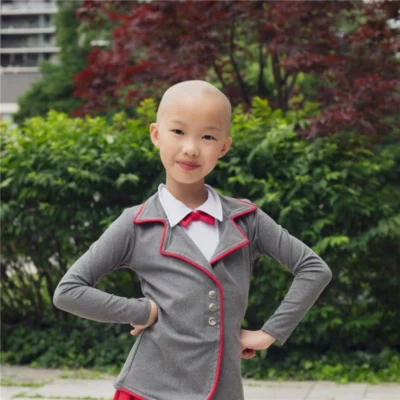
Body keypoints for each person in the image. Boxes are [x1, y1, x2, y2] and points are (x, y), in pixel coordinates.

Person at [53, 80, 333, 400]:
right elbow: (68, 291)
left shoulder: (247, 220)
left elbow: (314, 268)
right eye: (178, 131)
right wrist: (140, 311)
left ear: (224, 147)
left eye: (207, 136)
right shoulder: (136, 223)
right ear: (156, 134)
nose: (191, 148)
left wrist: (270, 332)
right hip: (149, 391)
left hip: (223, 390)